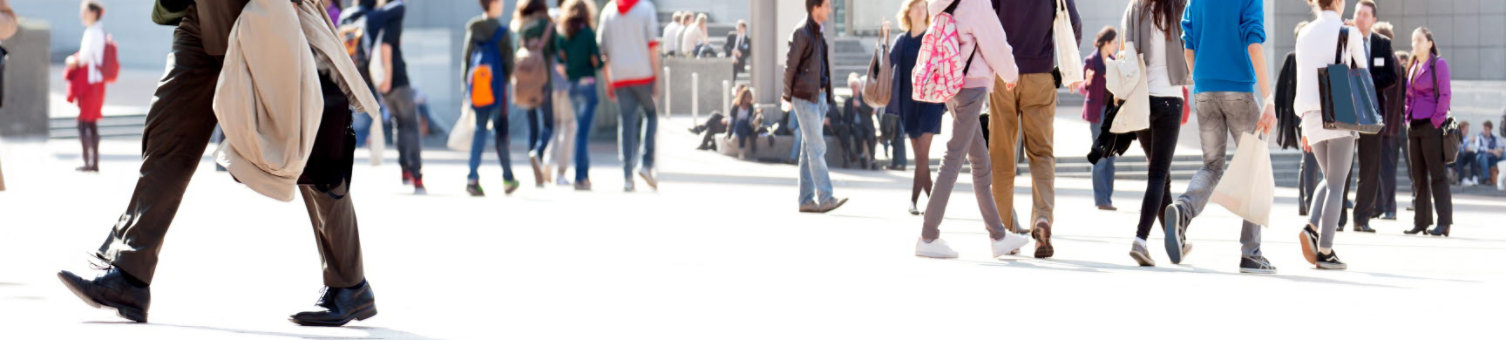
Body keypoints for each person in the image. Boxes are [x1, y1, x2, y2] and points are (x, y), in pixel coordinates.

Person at [57, 0, 378, 326]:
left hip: (262, 9)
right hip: (200, 17)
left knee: (308, 147)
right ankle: (129, 274)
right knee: (167, 138)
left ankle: (349, 284)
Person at [913, 0, 1031, 259]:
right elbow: (995, 41)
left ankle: (998, 235)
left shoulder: (941, 3)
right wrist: (1010, 74)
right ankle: (928, 235)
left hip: (952, 84)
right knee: (954, 157)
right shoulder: (975, 3)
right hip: (971, 85)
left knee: (980, 162)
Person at [1169, 0, 1279, 273]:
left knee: (1212, 164)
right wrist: (1268, 98)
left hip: (1205, 91)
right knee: (1253, 166)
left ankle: (1183, 209)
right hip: (1239, 91)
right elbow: (1254, 44)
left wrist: (1202, 81)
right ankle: (1251, 253)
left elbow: (1189, 45)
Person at [987, 0, 1081, 259]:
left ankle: (1005, 232)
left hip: (1004, 73)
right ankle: (1041, 219)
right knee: (1041, 154)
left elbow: (986, 18)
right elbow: (1073, 21)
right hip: (1040, 73)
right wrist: (1067, 69)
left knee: (1002, 156)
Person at [1294, 0, 1367, 270]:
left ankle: (1312, 227)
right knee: (1337, 184)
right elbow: (1362, 68)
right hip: (1339, 110)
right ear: (1337, 2)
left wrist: (1302, 121)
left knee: (1329, 178)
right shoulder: (1348, 32)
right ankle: (1325, 250)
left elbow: (1302, 77)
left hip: (1310, 115)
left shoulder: (1304, 33)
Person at [1118, 0, 1191, 267]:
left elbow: (1126, 53)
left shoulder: (1134, 9)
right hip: (1169, 98)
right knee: (1158, 173)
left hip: (1141, 99)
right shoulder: (1178, 7)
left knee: (1162, 175)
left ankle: (1177, 240)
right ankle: (1140, 239)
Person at [783, 0, 847, 213]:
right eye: (827, 5)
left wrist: (826, 96)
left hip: (818, 98)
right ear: (815, 7)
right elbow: (790, 66)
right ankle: (826, 196)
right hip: (804, 98)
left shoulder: (818, 31)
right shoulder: (802, 32)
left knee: (808, 148)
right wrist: (786, 96)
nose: (830, 9)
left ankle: (806, 200)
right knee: (817, 147)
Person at [1340, 0, 1397, 233]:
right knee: (1343, 165)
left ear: (1373, 19)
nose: (1361, 18)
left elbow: (1391, 76)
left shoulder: (1382, 44)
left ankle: (1361, 218)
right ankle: (1338, 218)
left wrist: (1368, 84)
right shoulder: (1344, 37)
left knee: (1370, 167)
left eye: (1365, 15)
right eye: (1358, 13)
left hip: (1372, 111)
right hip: (1347, 109)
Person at [599, 0, 661, 192]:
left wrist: (608, 81)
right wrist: (657, 78)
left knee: (626, 122)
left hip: (619, 76)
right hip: (643, 74)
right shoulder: (645, 9)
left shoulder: (608, 11)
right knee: (651, 114)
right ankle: (646, 163)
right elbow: (652, 46)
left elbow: (604, 53)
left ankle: (627, 175)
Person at [890, 0, 944, 215]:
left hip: (930, 103)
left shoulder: (932, 37)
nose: (922, 10)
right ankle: (933, 203)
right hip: (909, 103)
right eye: (917, 6)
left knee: (922, 155)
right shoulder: (902, 41)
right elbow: (887, 62)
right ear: (908, 11)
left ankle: (914, 202)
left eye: (925, 6)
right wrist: (883, 40)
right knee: (920, 157)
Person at [462, 0, 519, 197]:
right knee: (500, 132)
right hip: (496, 90)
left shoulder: (473, 27)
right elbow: (509, 64)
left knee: (479, 131)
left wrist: (466, 89)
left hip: (478, 90)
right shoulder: (502, 32)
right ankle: (508, 178)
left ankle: (472, 178)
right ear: (493, 3)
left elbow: (467, 60)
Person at [1403, 26, 1453, 237]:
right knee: (1418, 176)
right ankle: (1421, 221)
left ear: (1429, 43)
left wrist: (1436, 120)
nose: (1415, 44)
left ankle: (1444, 222)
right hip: (1414, 126)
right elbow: (1408, 96)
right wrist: (1406, 117)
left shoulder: (1438, 64)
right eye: (1414, 40)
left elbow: (1445, 95)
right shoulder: (1413, 66)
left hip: (1431, 126)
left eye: (1420, 40)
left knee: (1437, 175)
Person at [369, 0, 423, 194]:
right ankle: (416, 175)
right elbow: (386, 46)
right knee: (411, 125)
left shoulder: (375, 16)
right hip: (396, 80)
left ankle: (405, 170)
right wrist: (389, 78)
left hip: (383, 83)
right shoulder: (394, 16)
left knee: (398, 124)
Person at [557, 0, 601, 191]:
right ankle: (581, 177)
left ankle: (583, 175)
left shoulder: (563, 36)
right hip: (588, 86)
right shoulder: (589, 34)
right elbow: (597, 61)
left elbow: (560, 65)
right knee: (582, 134)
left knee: (579, 132)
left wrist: (571, 74)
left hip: (573, 86)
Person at [515, 0, 559, 188]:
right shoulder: (548, 26)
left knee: (532, 126)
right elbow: (558, 50)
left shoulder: (523, 27)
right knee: (549, 123)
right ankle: (538, 154)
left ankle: (535, 168)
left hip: (525, 84)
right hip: (543, 80)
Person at [66, 1, 108, 173]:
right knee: (89, 123)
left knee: (85, 122)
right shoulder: (97, 31)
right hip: (95, 82)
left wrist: (71, 60)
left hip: (91, 83)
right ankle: (92, 161)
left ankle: (90, 162)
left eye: (84, 12)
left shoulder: (93, 32)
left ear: (92, 13)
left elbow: (83, 59)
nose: (82, 15)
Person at [1082, 26, 1118, 211]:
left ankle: (1107, 199)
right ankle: (1101, 199)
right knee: (1101, 157)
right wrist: (1087, 82)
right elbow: (1081, 87)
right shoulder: (1091, 61)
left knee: (1111, 156)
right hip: (1097, 114)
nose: (1116, 46)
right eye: (1114, 43)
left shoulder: (1114, 62)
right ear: (1106, 42)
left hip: (1112, 114)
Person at [1373, 22, 1405, 221]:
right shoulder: (1391, 59)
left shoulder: (1387, 59)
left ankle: (1389, 207)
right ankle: (1379, 206)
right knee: (1378, 167)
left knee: (1385, 168)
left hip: (1386, 124)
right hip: (1388, 123)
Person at [547, 0, 576, 187]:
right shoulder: (567, 24)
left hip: (551, 84)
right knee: (570, 126)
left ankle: (547, 164)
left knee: (556, 127)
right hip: (565, 83)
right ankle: (561, 172)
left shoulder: (548, 21)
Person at [727, 86, 758, 158]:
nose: (749, 98)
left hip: (747, 126)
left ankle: (734, 137)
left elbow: (750, 121)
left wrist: (755, 116)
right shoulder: (736, 106)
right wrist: (729, 129)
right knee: (741, 129)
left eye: (750, 96)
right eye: (748, 96)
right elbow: (731, 119)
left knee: (742, 123)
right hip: (737, 127)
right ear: (743, 97)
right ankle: (741, 152)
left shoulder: (750, 107)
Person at [1471, 121, 1503, 186]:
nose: (1484, 131)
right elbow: (1479, 149)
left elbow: (1501, 146)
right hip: (1480, 158)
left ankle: (1503, 176)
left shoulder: (1494, 137)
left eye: (1486, 129)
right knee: (1483, 157)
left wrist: (1499, 151)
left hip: (1491, 158)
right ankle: (1486, 178)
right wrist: (1493, 151)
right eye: (1483, 129)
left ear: (1490, 130)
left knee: (1504, 155)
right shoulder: (1479, 137)